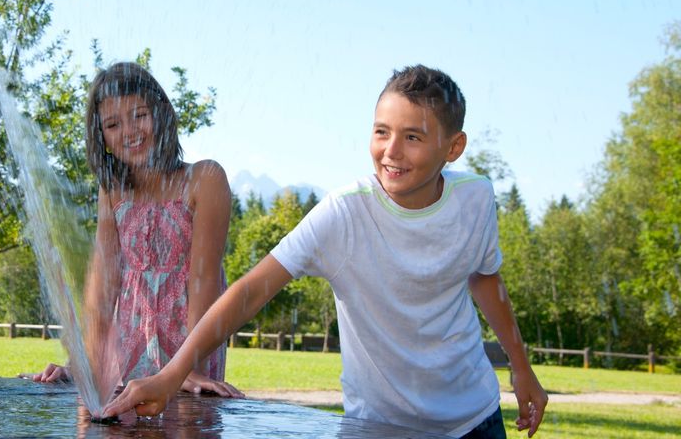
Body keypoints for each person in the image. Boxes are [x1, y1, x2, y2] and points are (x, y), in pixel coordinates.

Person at [104, 65, 548, 438]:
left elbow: (485, 277)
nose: (391, 151)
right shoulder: (342, 215)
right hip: (377, 427)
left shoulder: (475, 199)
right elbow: (249, 292)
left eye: (413, 137)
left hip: (474, 420)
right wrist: (173, 373)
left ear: (453, 147)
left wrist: (522, 368)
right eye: (381, 132)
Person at [33, 62, 242, 400]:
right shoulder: (113, 190)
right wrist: (83, 363)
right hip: (128, 352)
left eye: (139, 115)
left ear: (161, 113)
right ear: (102, 137)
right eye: (113, 124)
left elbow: (202, 281)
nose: (129, 131)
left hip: (190, 349)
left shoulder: (205, 180)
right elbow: (103, 283)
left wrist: (189, 367)